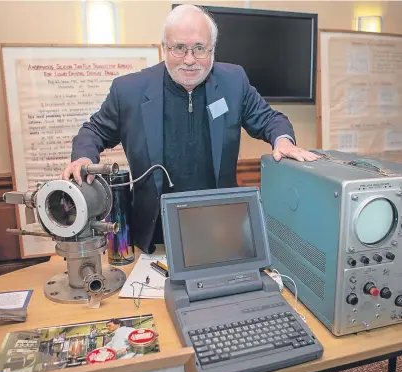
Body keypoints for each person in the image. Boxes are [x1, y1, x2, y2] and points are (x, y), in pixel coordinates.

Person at [61, 4, 319, 254]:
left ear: (213, 49)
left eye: (199, 48)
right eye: (179, 48)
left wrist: (282, 140)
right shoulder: (129, 91)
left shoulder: (233, 82)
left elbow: (270, 120)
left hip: (222, 228)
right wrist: (83, 158)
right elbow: (93, 131)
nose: (189, 60)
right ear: (164, 48)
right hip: (156, 233)